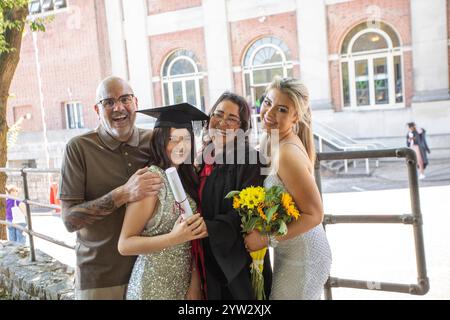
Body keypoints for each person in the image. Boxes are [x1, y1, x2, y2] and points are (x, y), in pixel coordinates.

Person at [58, 76, 163, 300]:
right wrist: (122, 194)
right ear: (97, 109)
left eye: (125, 99)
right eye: (108, 102)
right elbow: (69, 220)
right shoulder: (79, 148)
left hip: (152, 273)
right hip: (100, 279)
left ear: (136, 102)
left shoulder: (154, 142)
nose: (118, 107)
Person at [244, 77, 332, 300]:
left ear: (296, 117)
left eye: (282, 109)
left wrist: (266, 239)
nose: (269, 112)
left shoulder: (286, 154)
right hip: (288, 251)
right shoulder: (270, 139)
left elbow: (315, 214)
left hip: (305, 255)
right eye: (267, 102)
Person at [118, 103, 209, 300]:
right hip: (151, 286)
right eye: (172, 139)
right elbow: (124, 244)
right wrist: (173, 238)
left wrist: (194, 285)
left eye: (185, 139)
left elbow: (190, 241)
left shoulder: (189, 176)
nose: (180, 146)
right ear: (160, 141)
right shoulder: (152, 180)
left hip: (183, 283)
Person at [197, 92, 272, 300]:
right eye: (218, 114)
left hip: (236, 266)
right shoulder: (203, 159)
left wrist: (208, 228)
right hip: (205, 258)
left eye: (231, 118)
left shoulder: (250, 160)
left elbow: (245, 214)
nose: (222, 122)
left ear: (241, 128)